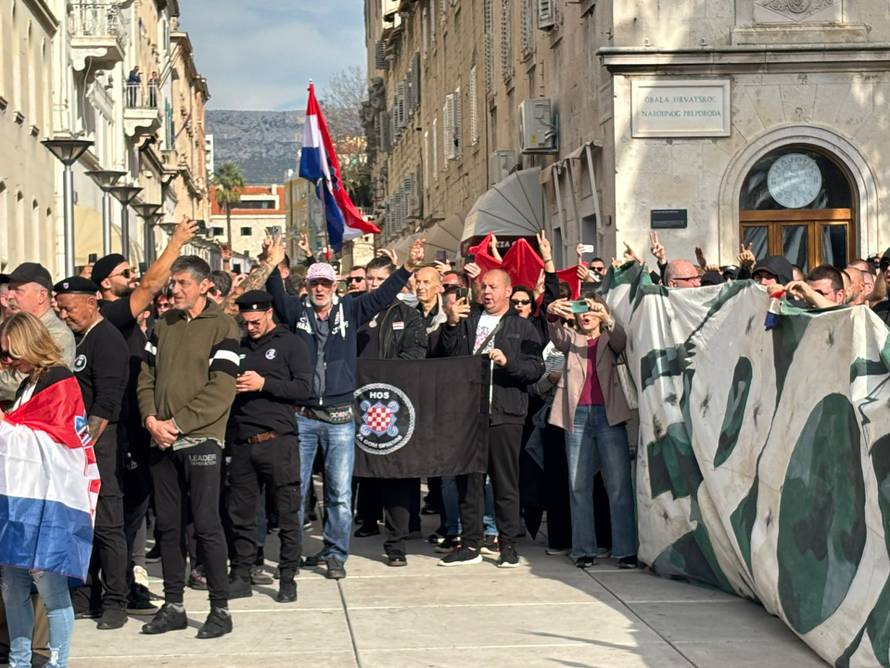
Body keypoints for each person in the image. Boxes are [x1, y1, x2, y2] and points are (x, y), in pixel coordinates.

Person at [265, 239, 425, 579]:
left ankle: (336, 554)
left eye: (325, 283)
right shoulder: (297, 312)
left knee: (338, 493)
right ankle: (291, 555)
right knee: (297, 489)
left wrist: (407, 267)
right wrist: (272, 261)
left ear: (334, 286)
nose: (320, 289)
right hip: (303, 417)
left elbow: (382, 296)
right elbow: (276, 296)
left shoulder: (350, 310)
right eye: (314, 283)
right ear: (306, 286)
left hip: (339, 419)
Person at [92, 220, 198, 615]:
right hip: (116, 428)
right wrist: (175, 242)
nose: (132, 277)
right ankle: (113, 584)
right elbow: (151, 286)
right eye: (123, 274)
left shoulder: (127, 320)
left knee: (136, 506)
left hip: (138, 425)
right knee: (118, 509)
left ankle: (128, 576)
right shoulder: (109, 313)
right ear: (105, 285)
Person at [137, 256, 240, 639]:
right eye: (171, 283)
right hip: (160, 440)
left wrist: (177, 425)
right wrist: (151, 420)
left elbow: (222, 389)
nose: (173, 290)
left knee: (207, 526)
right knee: (167, 526)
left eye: (181, 283)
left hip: (200, 442)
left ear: (202, 286)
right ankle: (174, 605)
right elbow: (145, 377)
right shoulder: (163, 325)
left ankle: (220, 609)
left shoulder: (223, 327)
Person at [436, 268, 545, 568]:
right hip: (469, 414)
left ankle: (507, 544)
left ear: (508, 291)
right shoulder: (469, 321)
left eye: (493, 287)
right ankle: (470, 543)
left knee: (505, 482)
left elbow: (535, 370)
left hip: (506, 413)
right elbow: (447, 357)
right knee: (468, 481)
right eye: (483, 286)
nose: (486, 292)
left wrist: (508, 363)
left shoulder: (523, 328)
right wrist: (452, 322)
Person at [53, 277, 132, 630]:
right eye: (60, 308)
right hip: (76, 444)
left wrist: (85, 445)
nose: (64, 314)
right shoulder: (77, 339)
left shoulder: (107, 340)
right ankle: (84, 594)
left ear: (92, 302)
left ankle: (117, 599)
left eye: (69, 307)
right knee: (82, 522)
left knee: (108, 524)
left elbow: (107, 402)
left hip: (101, 443)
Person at [0, 313, 78, 666]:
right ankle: (19, 660)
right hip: (20, 501)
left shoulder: (59, 381)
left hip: (48, 501)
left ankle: (56, 662)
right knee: (12, 586)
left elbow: (58, 441)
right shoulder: (26, 384)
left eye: (10, 353)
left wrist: (6, 426)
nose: (7, 361)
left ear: (28, 345)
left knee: (50, 589)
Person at [226, 291, 312, 603]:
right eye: (245, 322)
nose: (251, 327)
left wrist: (264, 384)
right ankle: (242, 573)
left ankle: (288, 576)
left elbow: (305, 389)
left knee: (287, 512)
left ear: (269, 312)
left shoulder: (291, 344)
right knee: (242, 514)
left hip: (278, 441)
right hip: (243, 443)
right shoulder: (239, 347)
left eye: (256, 321)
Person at [547, 293, 637, 569]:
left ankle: (625, 550)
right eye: (580, 311)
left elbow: (622, 341)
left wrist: (606, 317)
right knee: (578, 485)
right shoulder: (571, 340)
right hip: (576, 416)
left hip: (609, 416)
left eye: (590, 310)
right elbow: (556, 336)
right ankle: (583, 548)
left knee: (619, 485)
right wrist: (552, 313)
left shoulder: (610, 339)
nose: (585, 315)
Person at [353, 256, 428, 566]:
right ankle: (365, 520)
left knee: (395, 475)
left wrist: (383, 375)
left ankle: (396, 543)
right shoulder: (352, 312)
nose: (372, 284)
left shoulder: (408, 316)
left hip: (391, 406)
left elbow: (415, 355)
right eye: (369, 278)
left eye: (379, 279)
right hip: (356, 405)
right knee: (360, 472)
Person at [0, 263, 75, 402]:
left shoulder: (56, 334)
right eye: (10, 288)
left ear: (41, 296)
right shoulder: (13, 328)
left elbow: (18, 383)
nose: (9, 295)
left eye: (18, 290)